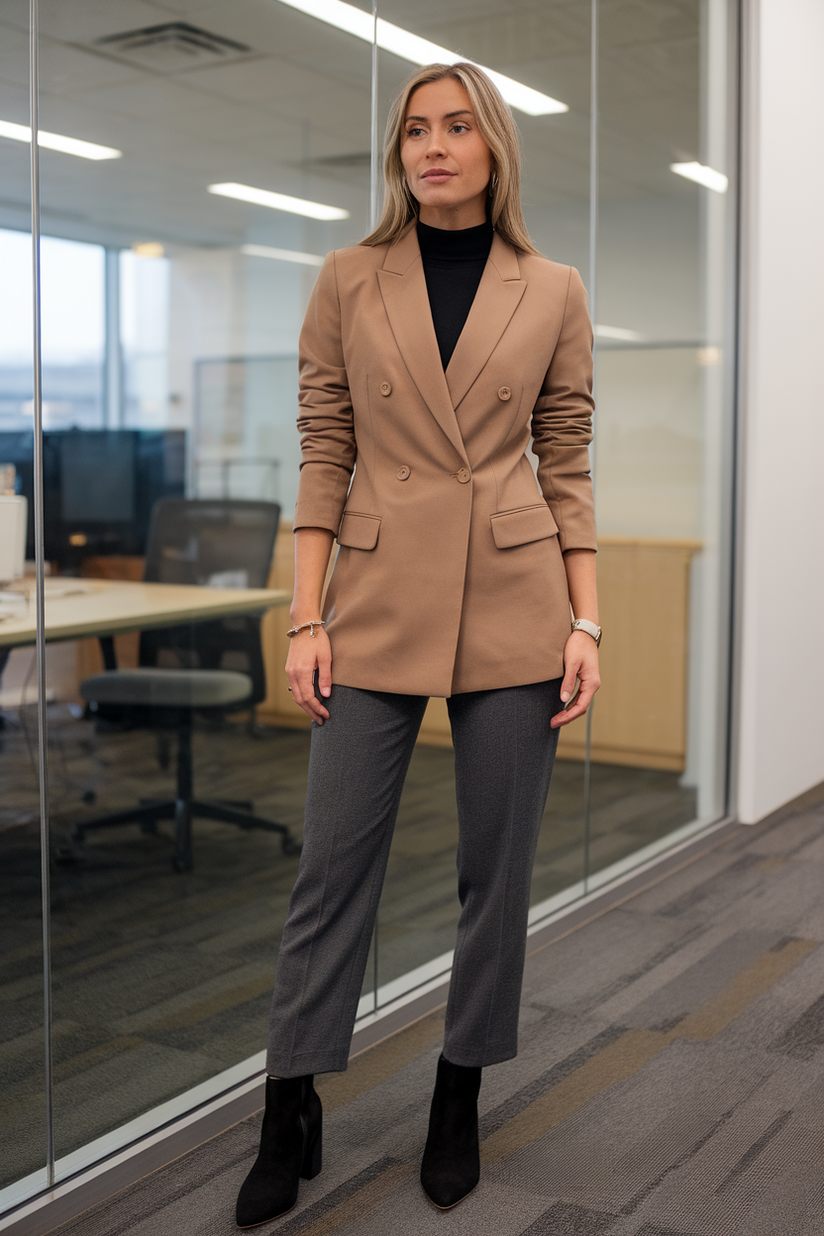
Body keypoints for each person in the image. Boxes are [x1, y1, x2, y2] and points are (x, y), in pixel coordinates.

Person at [235, 61, 600, 1229]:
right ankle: (287, 1102)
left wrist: (584, 618)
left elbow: (566, 460)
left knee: (493, 875)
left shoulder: (549, 288)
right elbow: (324, 446)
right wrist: (304, 612)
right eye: (412, 131)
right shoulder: (348, 278)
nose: (430, 146)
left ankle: (457, 1091)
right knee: (331, 866)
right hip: (375, 594)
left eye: (454, 127)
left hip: (513, 598)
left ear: (493, 146)